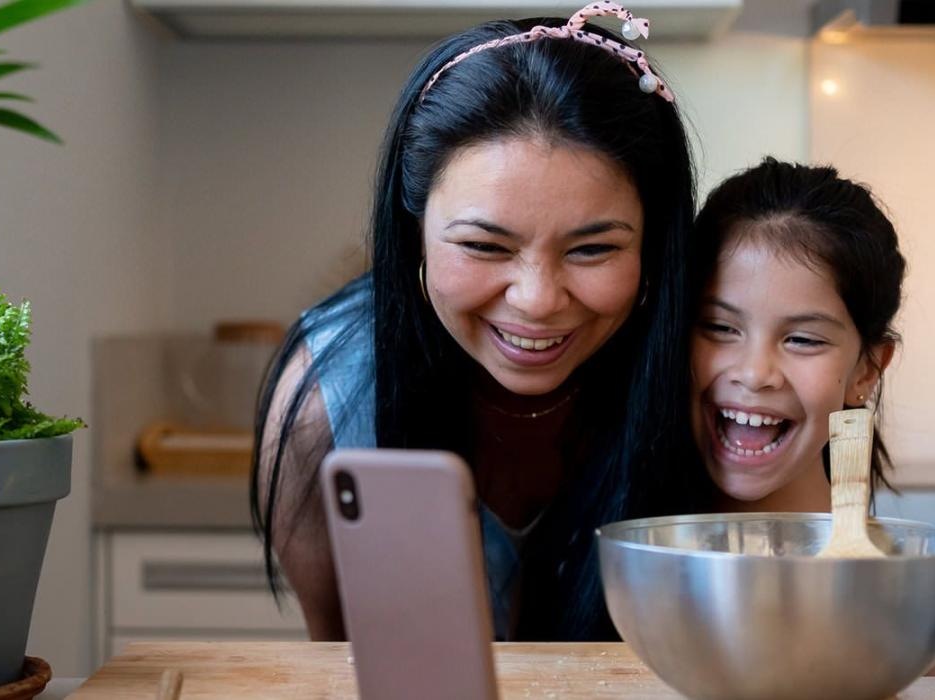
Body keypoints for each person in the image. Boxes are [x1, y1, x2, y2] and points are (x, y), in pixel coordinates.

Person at [250, 2, 698, 642]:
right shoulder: (329, 403)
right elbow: (341, 667)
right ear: (414, 239)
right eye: (486, 247)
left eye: (593, 249)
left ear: (653, 246)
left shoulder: (705, 377)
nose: (538, 300)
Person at [686, 158, 935, 674]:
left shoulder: (909, 604)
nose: (755, 374)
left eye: (802, 339)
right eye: (719, 327)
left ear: (866, 370)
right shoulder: (620, 567)